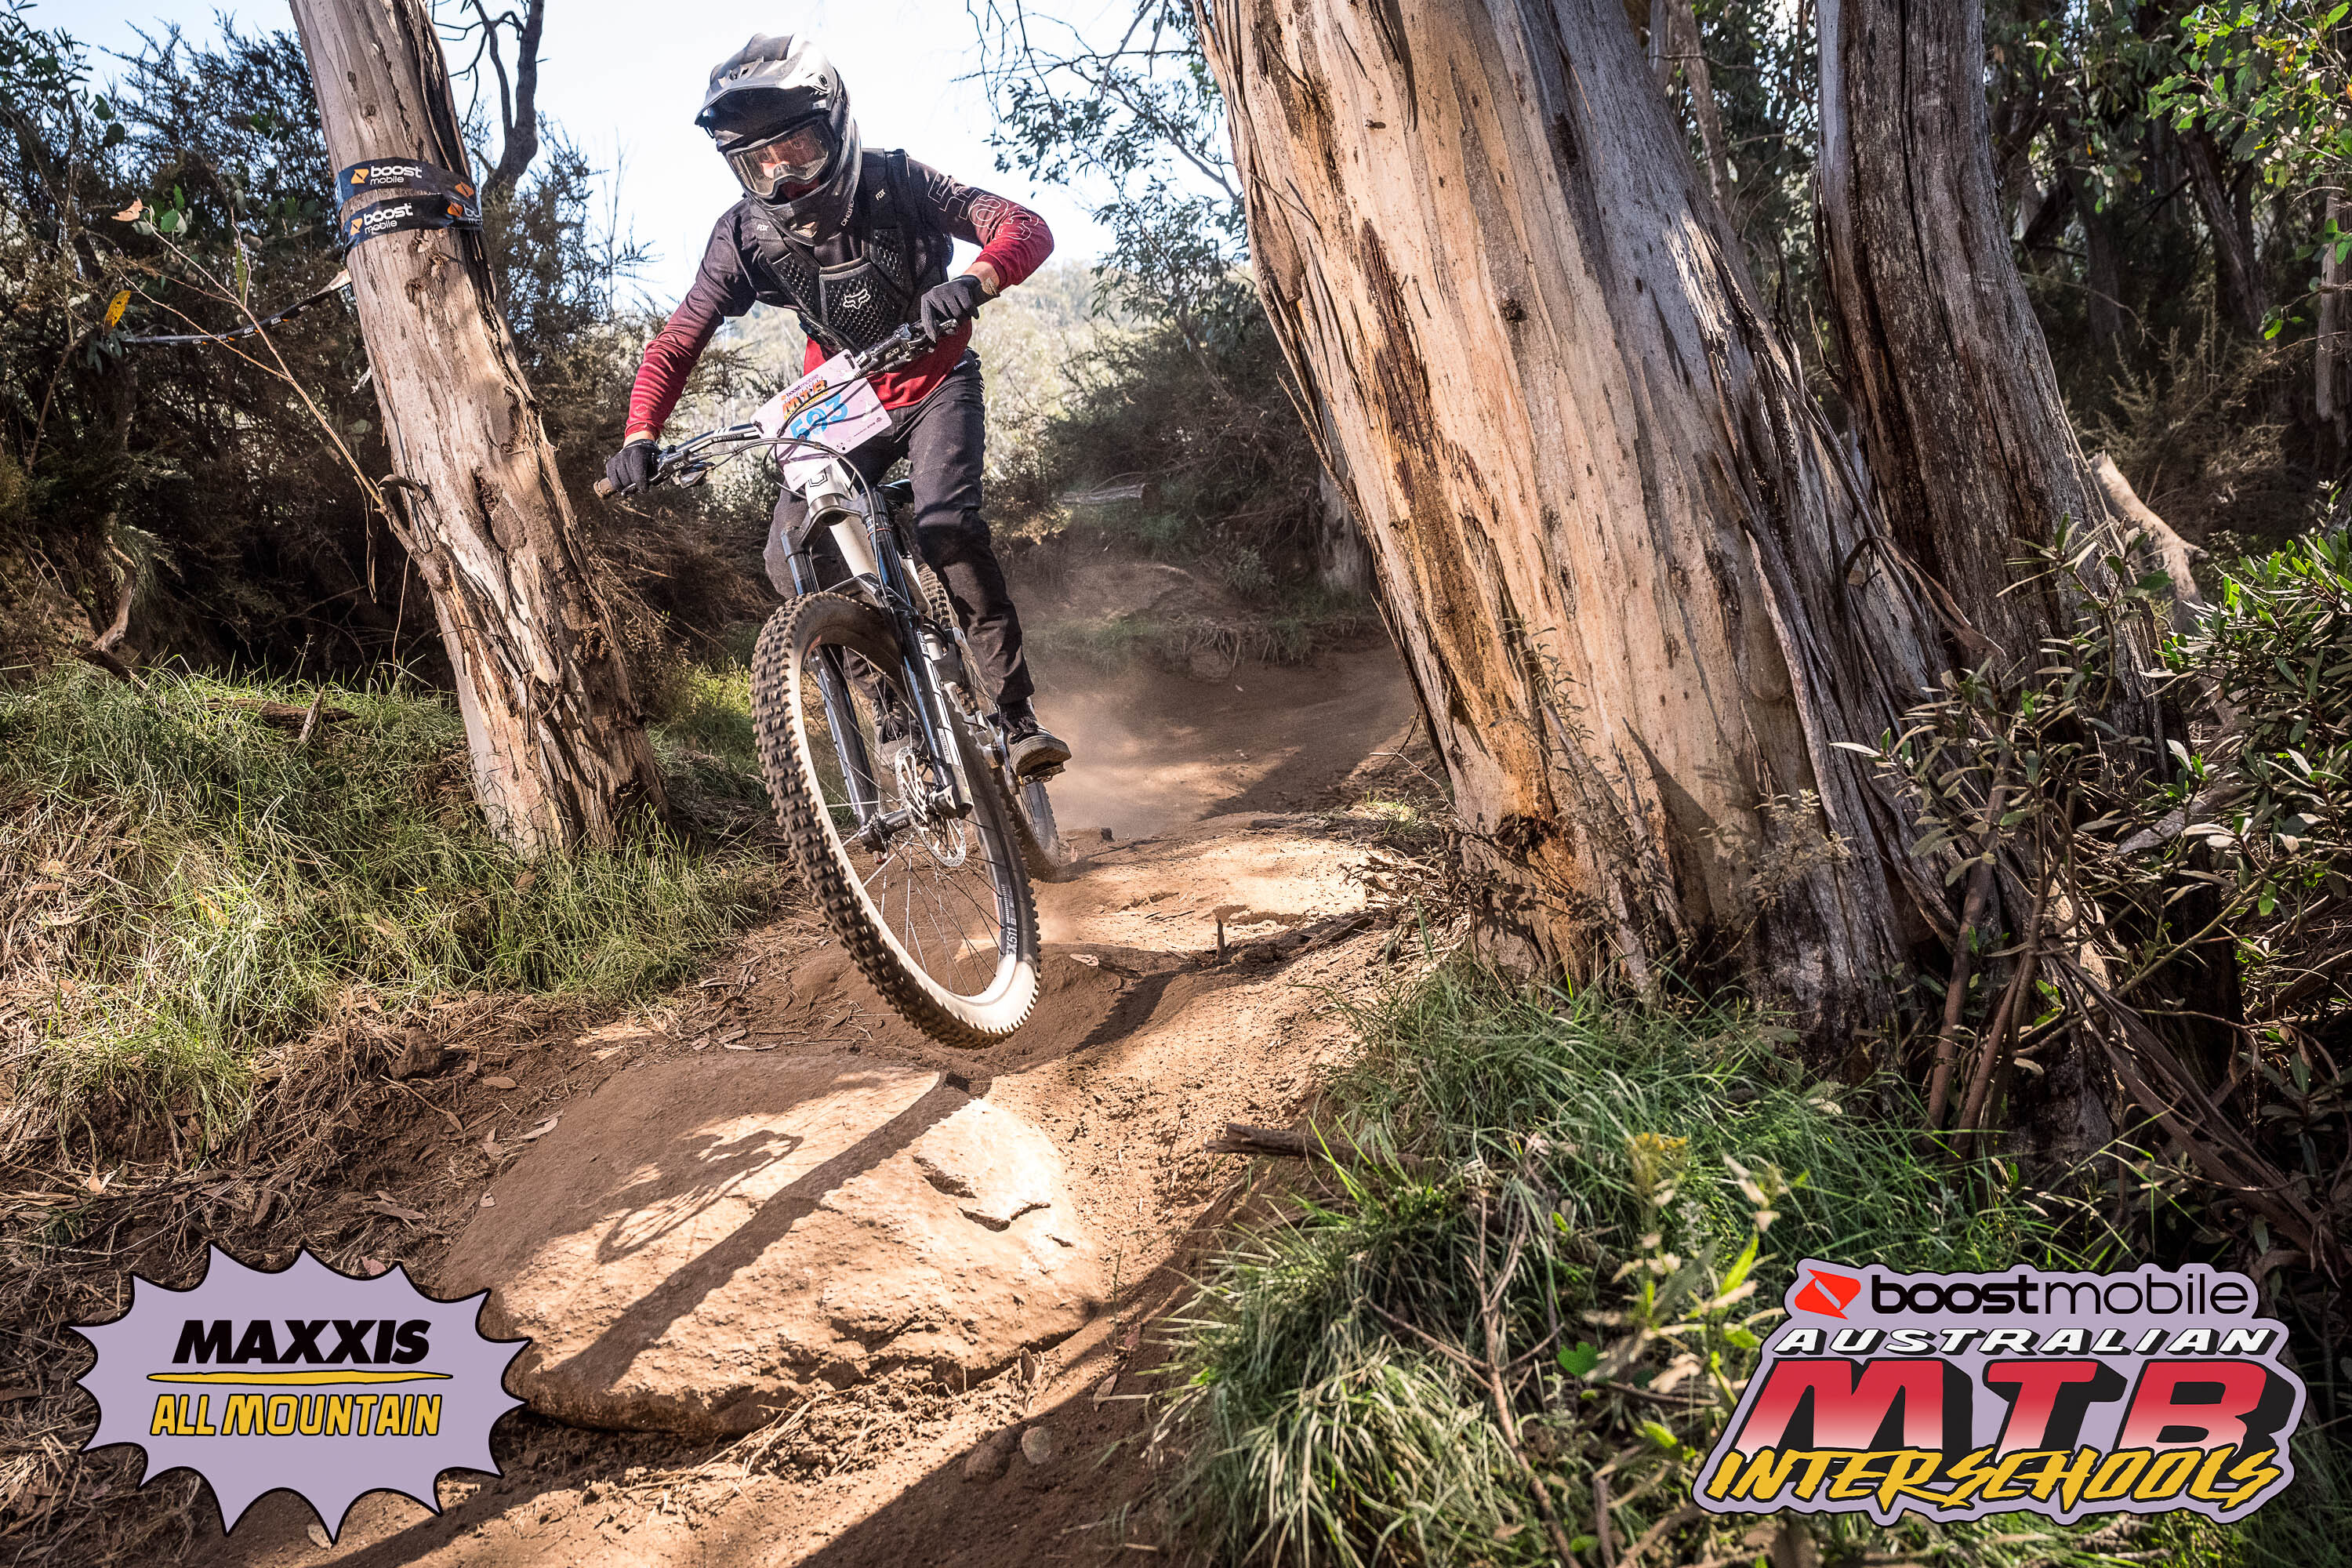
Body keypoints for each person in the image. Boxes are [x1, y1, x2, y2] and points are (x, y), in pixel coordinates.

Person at [604, 33, 1070, 777]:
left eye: (797, 151)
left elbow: (1024, 226)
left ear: (837, 130)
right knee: (789, 559)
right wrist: (640, 433)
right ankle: (894, 712)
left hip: (937, 382)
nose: (783, 177)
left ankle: (1016, 718)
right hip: (842, 402)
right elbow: (678, 339)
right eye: (759, 163)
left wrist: (974, 282)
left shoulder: (900, 181)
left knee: (946, 528)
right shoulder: (744, 235)